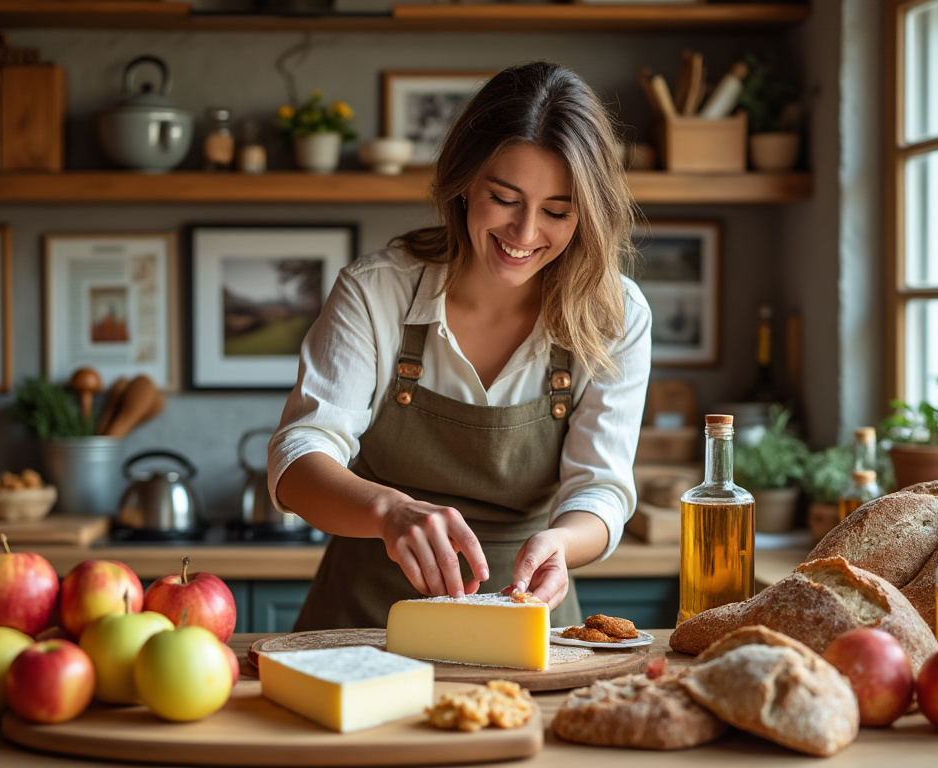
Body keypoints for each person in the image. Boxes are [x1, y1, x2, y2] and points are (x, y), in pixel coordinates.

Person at [268, 60, 652, 630]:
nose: (524, 235)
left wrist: (564, 543)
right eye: (505, 197)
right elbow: (298, 457)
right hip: (362, 626)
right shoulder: (377, 293)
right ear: (465, 181)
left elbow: (601, 489)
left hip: (526, 630)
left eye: (556, 212)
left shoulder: (615, 316)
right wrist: (388, 511)